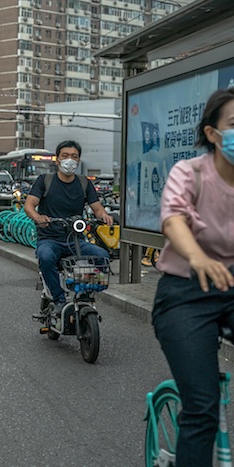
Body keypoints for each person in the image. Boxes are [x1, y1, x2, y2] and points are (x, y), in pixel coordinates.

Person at [151, 89, 234, 467]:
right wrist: (198, 257)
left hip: (231, 288)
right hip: (185, 292)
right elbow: (173, 220)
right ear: (213, 134)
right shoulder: (190, 173)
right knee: (202, 405)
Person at [23, 140, 113, 316]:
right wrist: (39, 217)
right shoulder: (45, 181)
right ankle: (59, 299)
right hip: (50, 239)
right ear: (57, 159)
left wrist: (104, 216)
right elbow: (29, 205)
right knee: (45, 256)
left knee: (102, 256)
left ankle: (83, 294)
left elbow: (97, 207)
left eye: (74, 156)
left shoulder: (84, 183)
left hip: (76, 241)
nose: (69, 160)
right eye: (65, 156)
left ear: (78, 160)